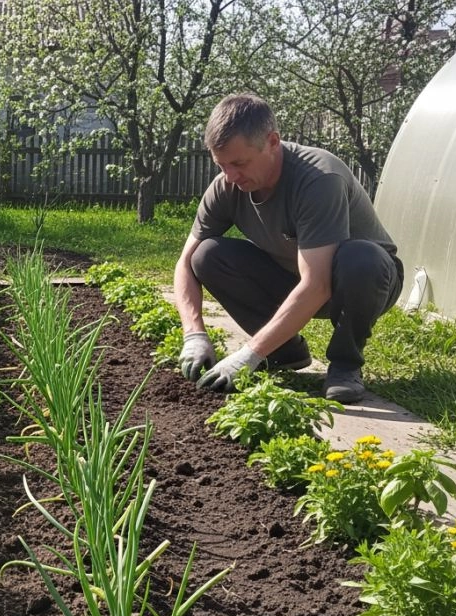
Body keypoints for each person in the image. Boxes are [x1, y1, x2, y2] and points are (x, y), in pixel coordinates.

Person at [172, 93, 403, 404]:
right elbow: (185, 262)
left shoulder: (318, 180)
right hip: (295, 278)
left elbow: (318, 285)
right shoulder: (226, 186)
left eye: (239, 163)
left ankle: (345, 365)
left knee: (360, 258)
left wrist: (248, 354)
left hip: (361, 281)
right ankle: (284, 351)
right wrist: (194, 334)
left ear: (272, 141)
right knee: (207, 255)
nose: (230, 176)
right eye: (221, 165)